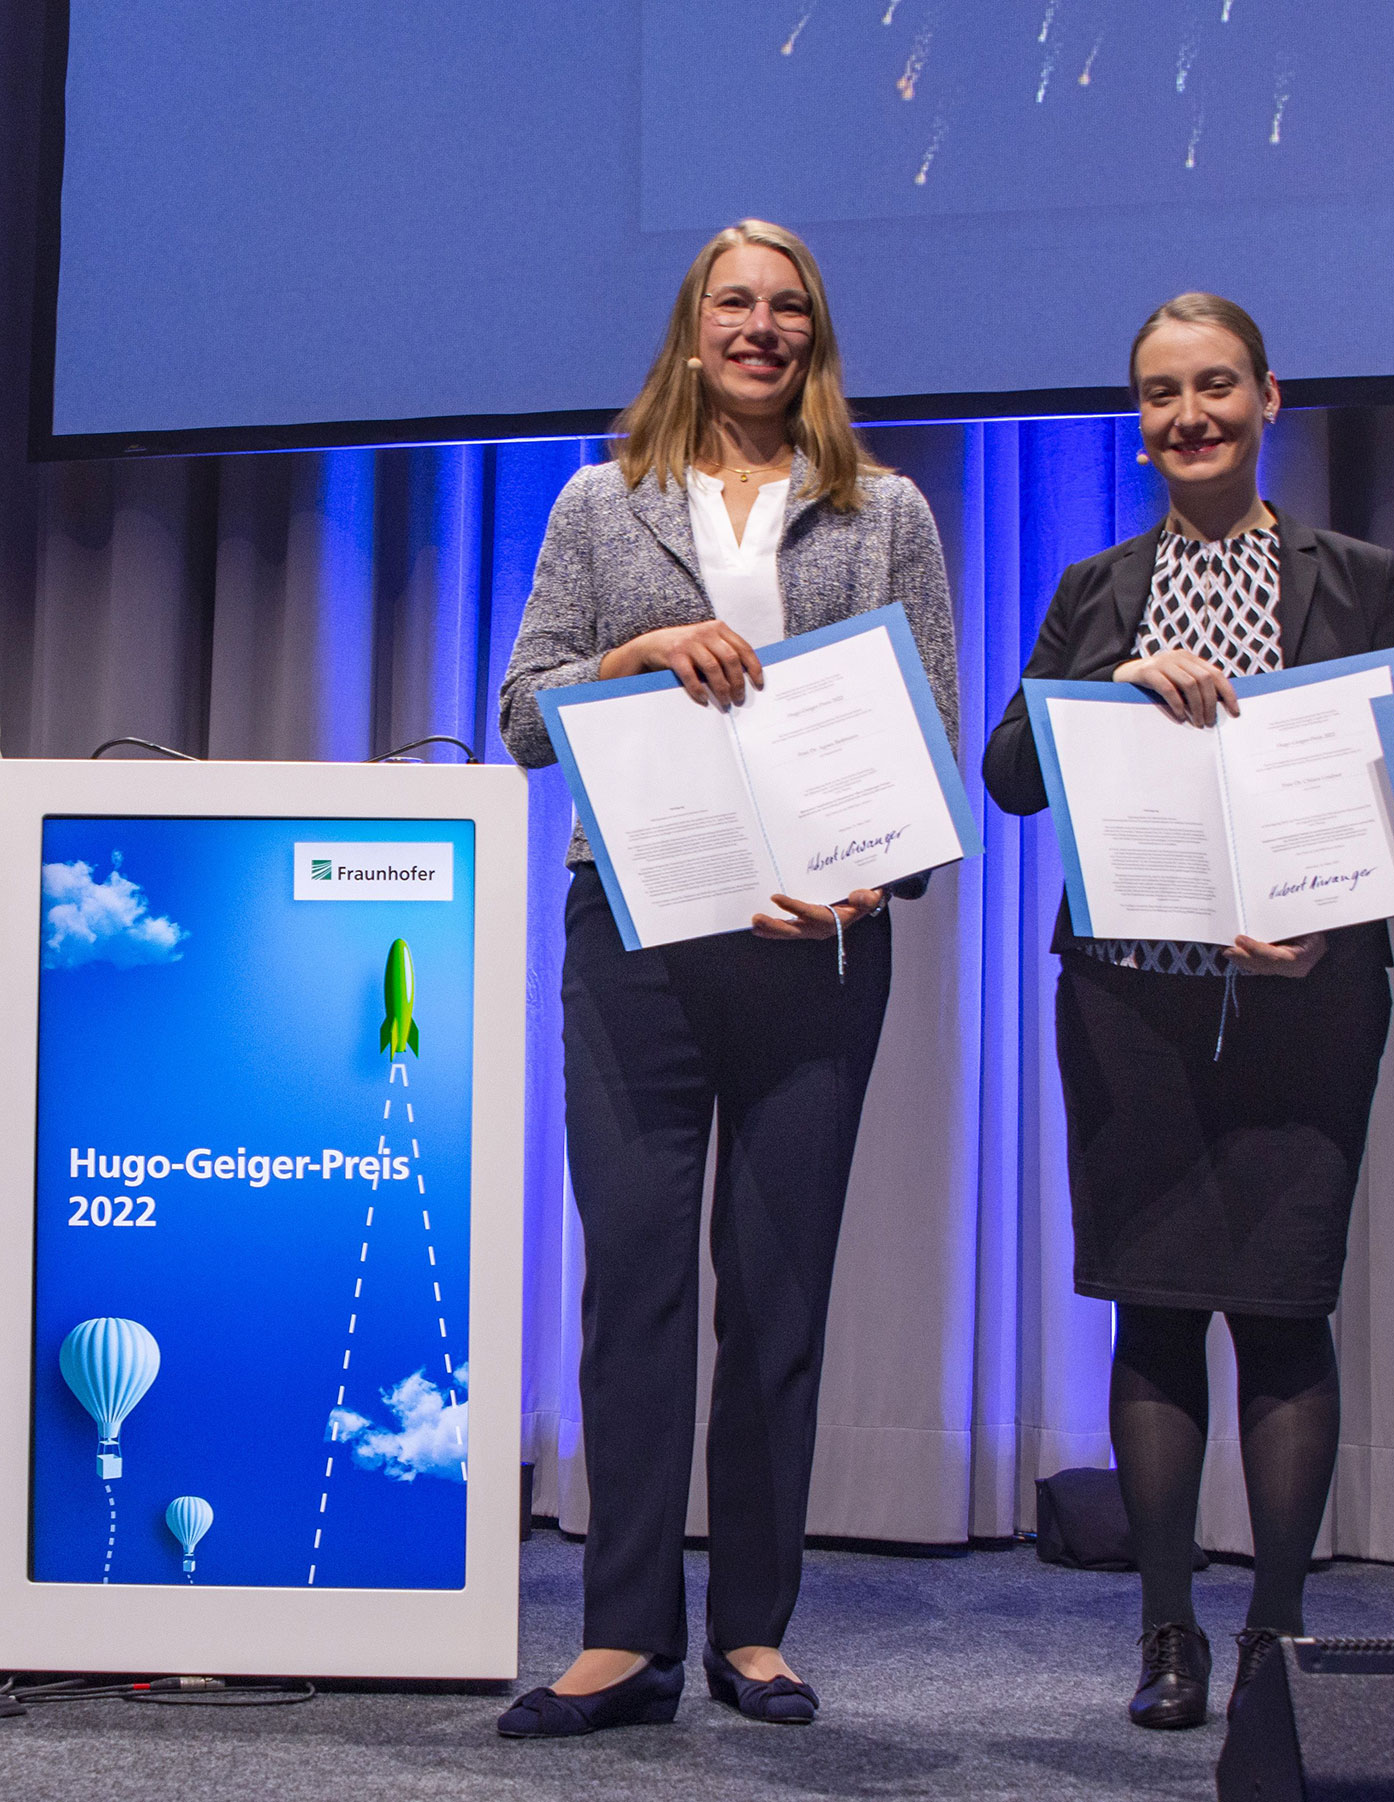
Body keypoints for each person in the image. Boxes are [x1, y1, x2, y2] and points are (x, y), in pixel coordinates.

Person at [494, 219, 958, 1736]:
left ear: (815, 335)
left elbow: (930, 738)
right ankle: (624, 1634)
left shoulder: (883, 509)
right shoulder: (597, 500)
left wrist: (873, 867)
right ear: (692, 333)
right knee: (633, 1282)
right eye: (733, 305)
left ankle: (753, 1629)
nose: (761, 328)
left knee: (777, 1298)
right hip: (632, 939)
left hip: (816, 948)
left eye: (788, 307)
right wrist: (629, 657)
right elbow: (520, 710)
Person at [984, 294, 1394, 1730]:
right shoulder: (1098, 585)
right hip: (1133, 1006)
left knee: (1287, 1312)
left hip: (1312, 998)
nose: (1190, 416)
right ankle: (1168, 1635)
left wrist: (1335, 920)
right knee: (1157, 1314)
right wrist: (1098, 688)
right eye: (1163, 395)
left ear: (1268, 398)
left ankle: (1278, 1638)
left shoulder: (1359, 575)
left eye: (1216, 386)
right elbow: (1008, 771)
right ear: (1140, 422)